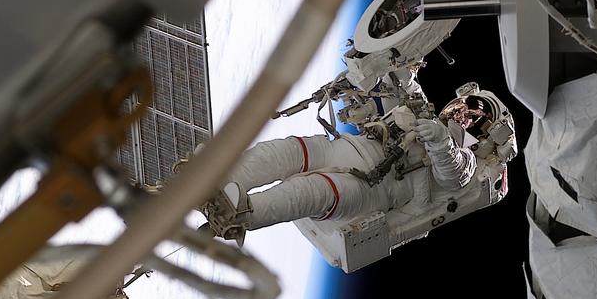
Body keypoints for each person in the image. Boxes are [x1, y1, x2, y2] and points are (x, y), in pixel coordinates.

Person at [201, 86, 514, 245]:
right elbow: (399, 85)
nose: (463, 115)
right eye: (466, 107)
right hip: (346, 149)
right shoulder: (422, 113)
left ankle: (238, 215)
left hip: (372, 186)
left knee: (313, 191)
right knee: (287, 151)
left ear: (482, 137)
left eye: (474, 118)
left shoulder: (465, 161)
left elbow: (452, 173)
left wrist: (441, 140)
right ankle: (219, 181)